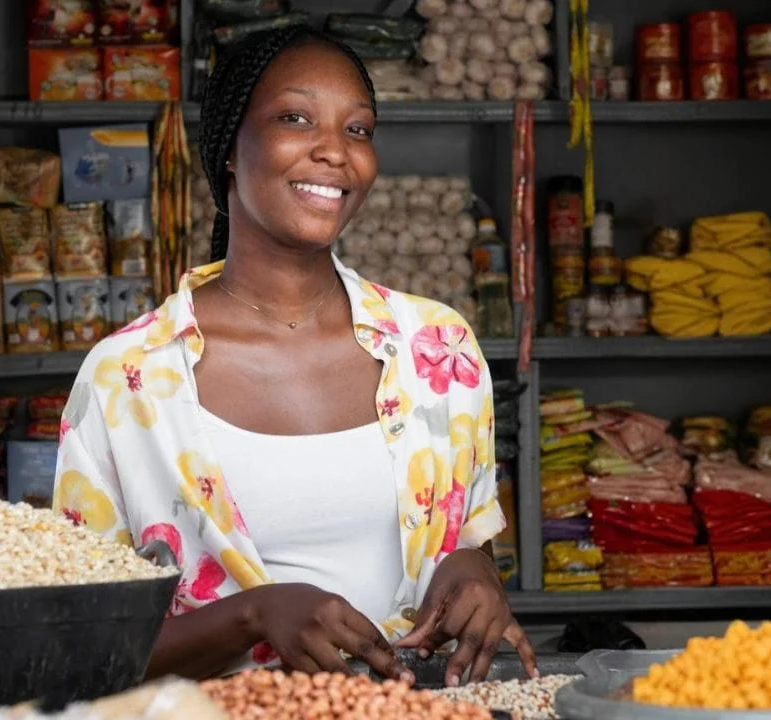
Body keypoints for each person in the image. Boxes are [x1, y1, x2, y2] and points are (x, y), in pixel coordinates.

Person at [53, 25, 536, 686]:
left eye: (359, 130)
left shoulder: (437, 349)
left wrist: (473, 568)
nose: (334, 151)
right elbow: (81, 647)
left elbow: (467, 541)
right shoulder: (127, 380)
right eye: (295, 118)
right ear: (230, 148)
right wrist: (250, 617)